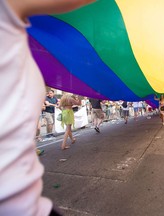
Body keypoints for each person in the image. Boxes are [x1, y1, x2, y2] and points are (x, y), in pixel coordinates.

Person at [0, 0, 95, 215]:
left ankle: (68, 140)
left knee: (67, 130)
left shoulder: (13, 29)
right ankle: (64, 143)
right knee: (68, 129)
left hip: (28, 204)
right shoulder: (6, 13)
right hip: (19, 208)